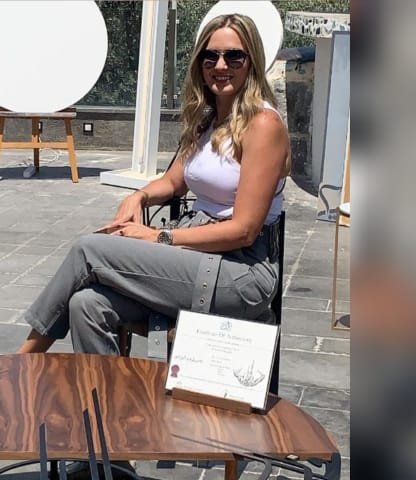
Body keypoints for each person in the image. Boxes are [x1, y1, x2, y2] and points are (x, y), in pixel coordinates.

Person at [17, 13, 290, 355]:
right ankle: (103, 390)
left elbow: (244, 231)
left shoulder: (263, 125)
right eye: (210, 57)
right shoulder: (209, 121)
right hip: (196, 256)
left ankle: (19, 363)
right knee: (86, 305)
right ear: (199, 64)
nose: (221, 66)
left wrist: (158, 236)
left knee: (88, 250)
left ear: (252, 62)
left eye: (234, 56)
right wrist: (140, 197)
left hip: (241, 272)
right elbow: (174, 181)